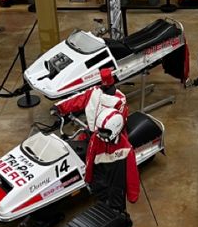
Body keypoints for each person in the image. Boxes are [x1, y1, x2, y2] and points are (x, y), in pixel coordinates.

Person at [55, 76, 139, 212]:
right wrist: (59, 108)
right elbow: (77, 100)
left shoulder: (125, 148)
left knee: (116, 202)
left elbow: (131, 173)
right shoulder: (96, 137)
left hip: (115, 179)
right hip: (92, 135)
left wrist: (133, 195)